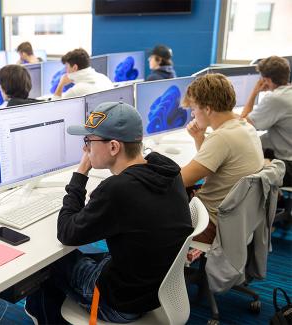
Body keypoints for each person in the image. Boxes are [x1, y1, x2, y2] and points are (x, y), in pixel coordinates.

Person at [25, 102, 193, 324]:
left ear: (114, 147)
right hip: (151, 288)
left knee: (44, 264)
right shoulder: (165, 168)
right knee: (74, 257)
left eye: (89, 141)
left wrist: (81, 172)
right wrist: (105, 197)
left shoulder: (119, 189)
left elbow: (66, 233)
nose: (86, 149)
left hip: (119, 303)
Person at [181, 73, 264, 244]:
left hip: (210, 224)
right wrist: (199, 137)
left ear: (208, 109)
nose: (193, 114)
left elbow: (180, 180)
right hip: (237, 217)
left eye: (194, 108)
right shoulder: (244, 126)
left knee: (146, 212)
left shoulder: (222, 138)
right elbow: (213, 164)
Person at [241, 56, 292, 186]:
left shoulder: (276, 99)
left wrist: (254, 92)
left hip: (289, 166)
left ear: (267, 80)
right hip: (285, 154)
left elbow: (243, 123)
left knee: (242, 164)